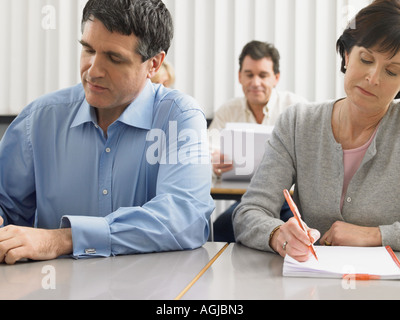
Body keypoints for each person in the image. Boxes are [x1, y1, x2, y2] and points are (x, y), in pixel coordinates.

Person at [0, 0, 214, 265]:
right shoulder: (39, 120)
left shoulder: (179, 118)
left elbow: (184, 219)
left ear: (154, 64)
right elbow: (7, 208)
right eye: (88, 49)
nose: (93, 70)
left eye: (114, 58)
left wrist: (62, 239)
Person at [233, 0, 400, 262]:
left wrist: (375, 235)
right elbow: (249, 212)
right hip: (310, 283)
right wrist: (279, 235)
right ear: (346, 54)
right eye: (366, 59)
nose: (373, 78)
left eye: (392, 71)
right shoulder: (298, 122)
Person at [209, 41, 307, 242]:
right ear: (239, 77)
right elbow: (206, 151)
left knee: (298, 232)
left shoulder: (297, 108)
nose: (255, 82)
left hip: (290, 202)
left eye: (263, 75)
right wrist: (212, 162)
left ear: (276, 78)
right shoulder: (228, 110)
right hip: (249, 202)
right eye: (249, 74)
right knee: (220, 229)